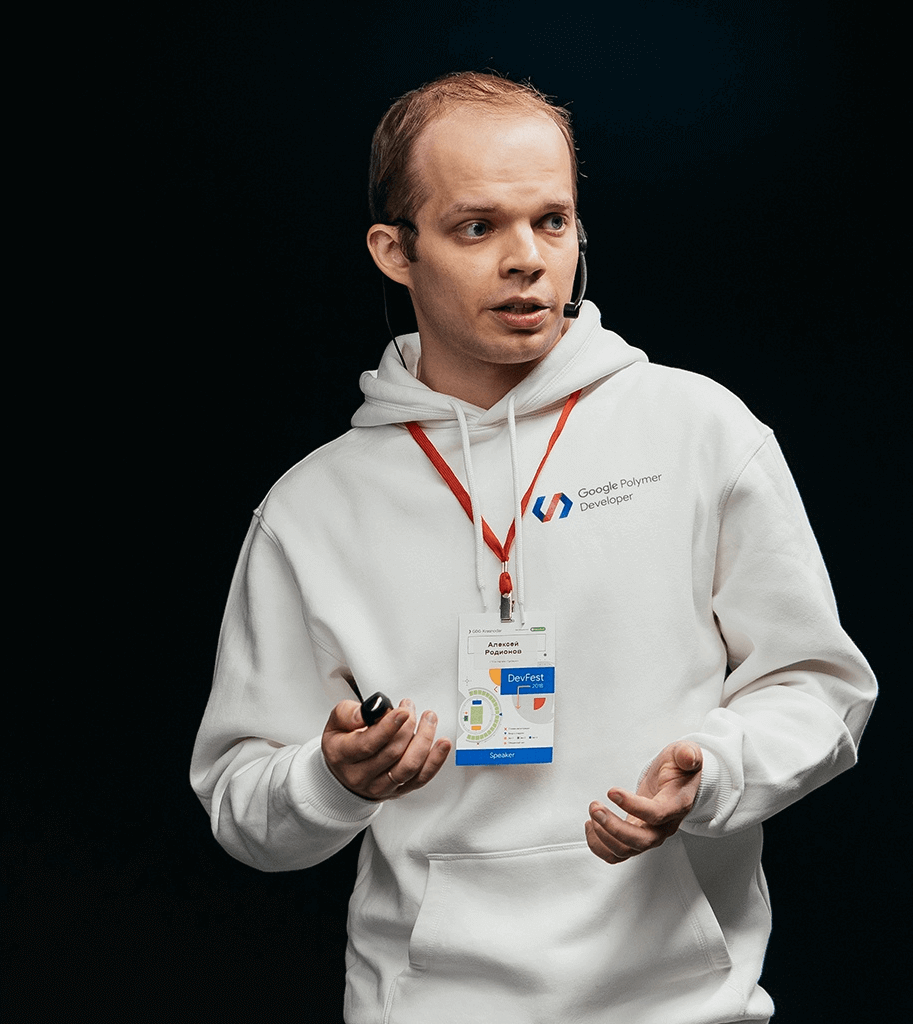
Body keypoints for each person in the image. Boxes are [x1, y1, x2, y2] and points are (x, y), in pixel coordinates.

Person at [191, 71, 876, 1024]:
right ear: (395, 251)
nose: (527, 260)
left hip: (683, 1007)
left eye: (552, 222)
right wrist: (328, 778)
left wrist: (716, 770)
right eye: (478, 227)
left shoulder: (700, 431)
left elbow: (820, 687)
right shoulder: (310, 512)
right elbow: (242, 806)